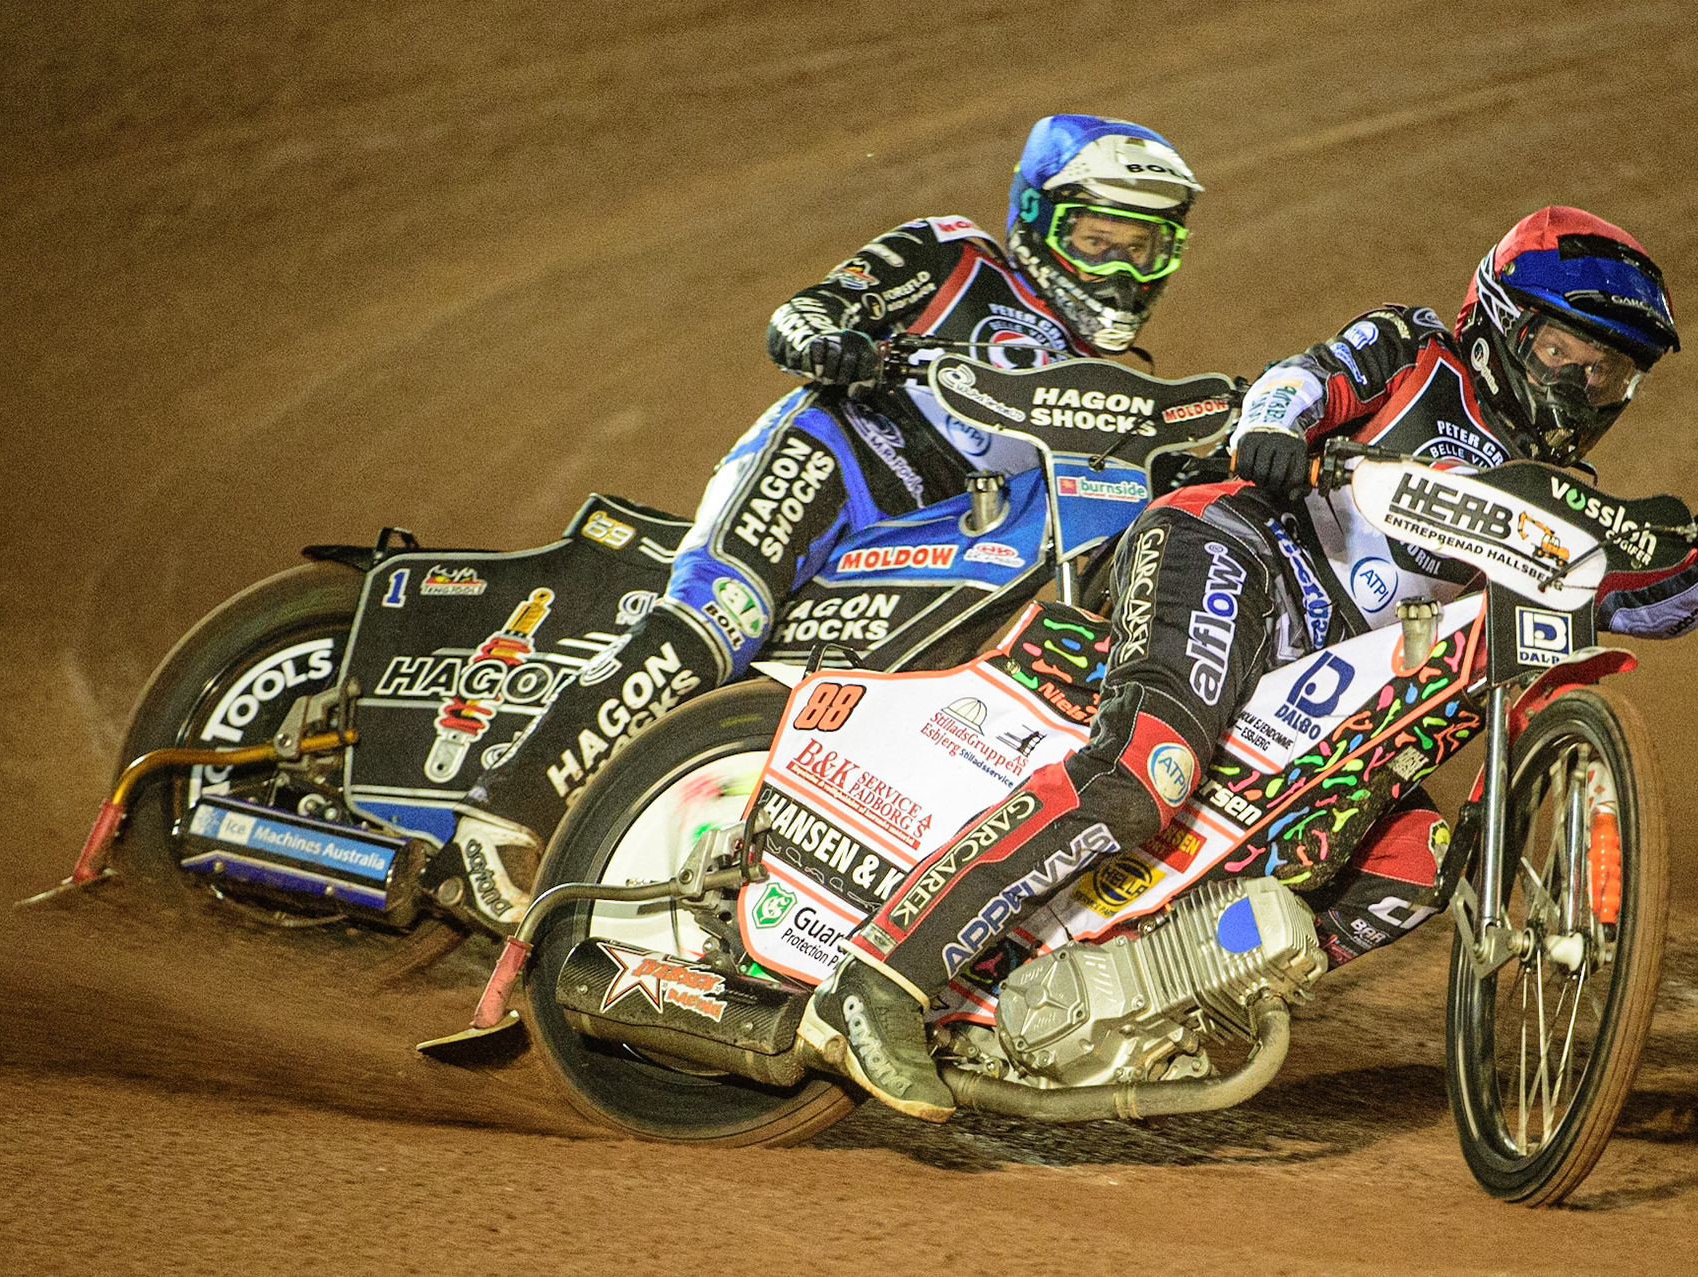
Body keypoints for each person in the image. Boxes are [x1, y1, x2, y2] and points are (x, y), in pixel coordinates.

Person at [798, 206, 1698, 1122]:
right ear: (1503, 320)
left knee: (1415, 864)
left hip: (1342, 666)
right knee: (1148, 768)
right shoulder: (1418, 352)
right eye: (1568, 352)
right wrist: (1275, 433)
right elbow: (1301, 378)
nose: (1587, 388)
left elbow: (1633, 595)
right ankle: (879, 979)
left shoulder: (1557, 498)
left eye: (1614, 373)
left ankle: (1157, 989)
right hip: (1236, 546)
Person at [445, 114, 1203, 930]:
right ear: (1034, 218)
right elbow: (805, 312)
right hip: (835, 458)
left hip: (939, 534)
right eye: (1097, 240)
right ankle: (504, 813)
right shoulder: (953, 255)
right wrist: (830, 340)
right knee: (714, 620)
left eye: (1145, 248)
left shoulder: (1108, 381)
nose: (1122, 270)